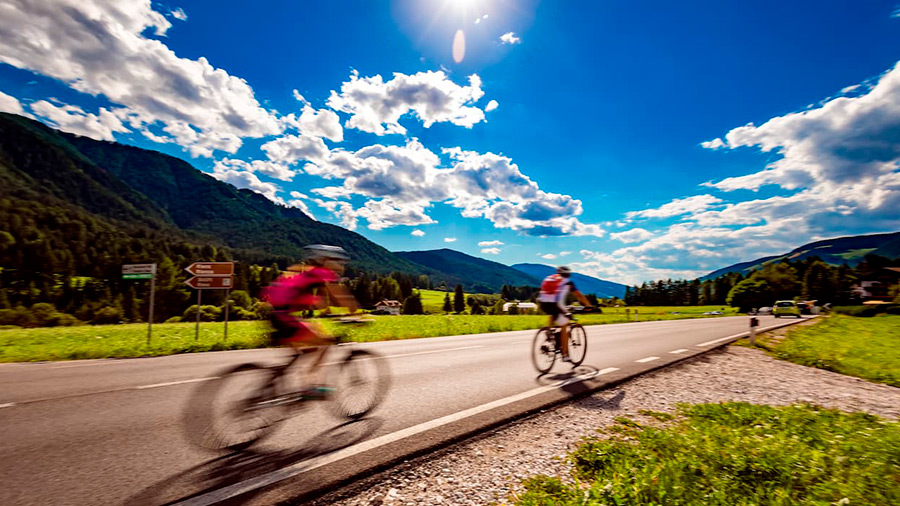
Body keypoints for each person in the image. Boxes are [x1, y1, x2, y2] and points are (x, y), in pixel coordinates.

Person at [262, 244, 359, 397]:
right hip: (284, 318)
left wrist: (327, 310)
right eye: (338, 261)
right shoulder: (322, 273)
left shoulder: (308, 274)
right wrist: (356, 312)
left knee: (310, 347)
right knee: (325, 343)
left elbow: (321, 303)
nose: (341, 265)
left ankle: (275, 381)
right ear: (325, 260)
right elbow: (341, 297)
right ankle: (310, 386)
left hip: (277, 315)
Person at [537, 266, 593, 363]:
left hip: (542, 303)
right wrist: (588, 305)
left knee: (553, 314)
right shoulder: (568, 282)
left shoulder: (551, 278)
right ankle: (565, 354)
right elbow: (579, 295)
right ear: (568, 274)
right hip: (555, 305)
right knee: (565, 325)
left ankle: (549, 332)